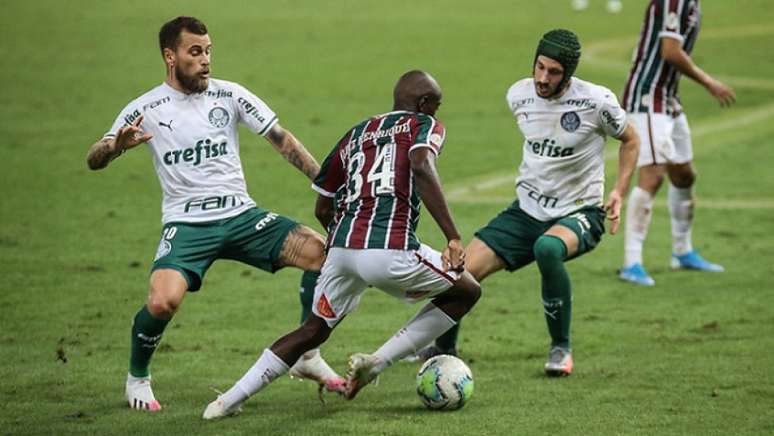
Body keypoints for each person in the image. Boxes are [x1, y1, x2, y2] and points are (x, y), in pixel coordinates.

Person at [85, 16, 344, 412]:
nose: (205, 60)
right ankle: (137, 377)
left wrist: (326, 186)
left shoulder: (230, 95)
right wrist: (115, 147)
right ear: (170, 57)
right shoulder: (145, 107)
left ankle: (307, 355)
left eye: (208, 51)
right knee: (161, 303)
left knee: (325, 258)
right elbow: (93, 159)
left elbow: (282, 140)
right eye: (195, 52)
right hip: (187, 225)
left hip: (242, 217)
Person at [202, 70, 482, 419]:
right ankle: (377, 363)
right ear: (424, 104)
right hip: (391, 250)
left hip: (341, 250)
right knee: (467, 291)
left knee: (312, 330)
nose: (436, 115)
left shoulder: (355, 134)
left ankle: (227, 401)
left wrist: (348, 244)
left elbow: (322, 205)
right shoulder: (422, 125)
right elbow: (421, 163)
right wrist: (453, 237)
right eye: (434, 107)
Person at [416, 29, 639, 377]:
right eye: (539, 67)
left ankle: (560, 349)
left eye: (553, 72)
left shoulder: (597, 102)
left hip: (580, 210)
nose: (542, 78)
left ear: (569, 73)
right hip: (526, 210)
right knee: (458, 272)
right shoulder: (519, 96)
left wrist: (619, 191)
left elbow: (631, 140)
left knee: (547, 249)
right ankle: (443, 350)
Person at [619, 0, 735, 286]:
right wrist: (709, 82)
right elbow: (670, 51)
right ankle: (631, 263)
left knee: (684, 175)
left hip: (668, 98)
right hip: (647, 96)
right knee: (653, 176)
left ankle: (682, 251)